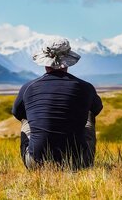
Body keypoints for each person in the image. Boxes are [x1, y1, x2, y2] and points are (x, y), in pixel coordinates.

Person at [12, 38, 103, 169]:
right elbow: (96, 109)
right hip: (79, 162)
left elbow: (17, 113)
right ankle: (80, 155)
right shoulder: (86, 87)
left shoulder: (28, 87)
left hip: (35, 163)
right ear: (67, 62)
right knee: (89, 115)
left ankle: (36, 152)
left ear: (45, 62)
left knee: (25, 118)